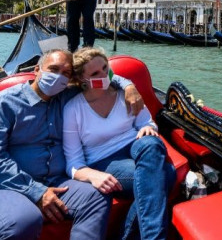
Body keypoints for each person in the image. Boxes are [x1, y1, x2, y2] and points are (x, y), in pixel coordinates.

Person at [0, 49, 143, 240]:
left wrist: (128, 86)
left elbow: (103, 77)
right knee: (23, 220)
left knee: (97, 196)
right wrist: (36, 192)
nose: (58, 77)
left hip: (55, 181)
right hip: (0, 187)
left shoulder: (66, 96)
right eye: (53, 69)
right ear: (37, 69)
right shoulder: (1, 105)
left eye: (66, 73)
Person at [64, 47, 175, 240]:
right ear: (83, 79)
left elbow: (146, 122)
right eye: (95, 73)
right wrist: (92, 175)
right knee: (166, 174)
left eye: (105, 68)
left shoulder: (127, 93)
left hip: (135, 145)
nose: (104, 75)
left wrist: (149, 129)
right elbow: (73, 162)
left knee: (151, 144)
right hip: (104, 159)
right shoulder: (73, 109)